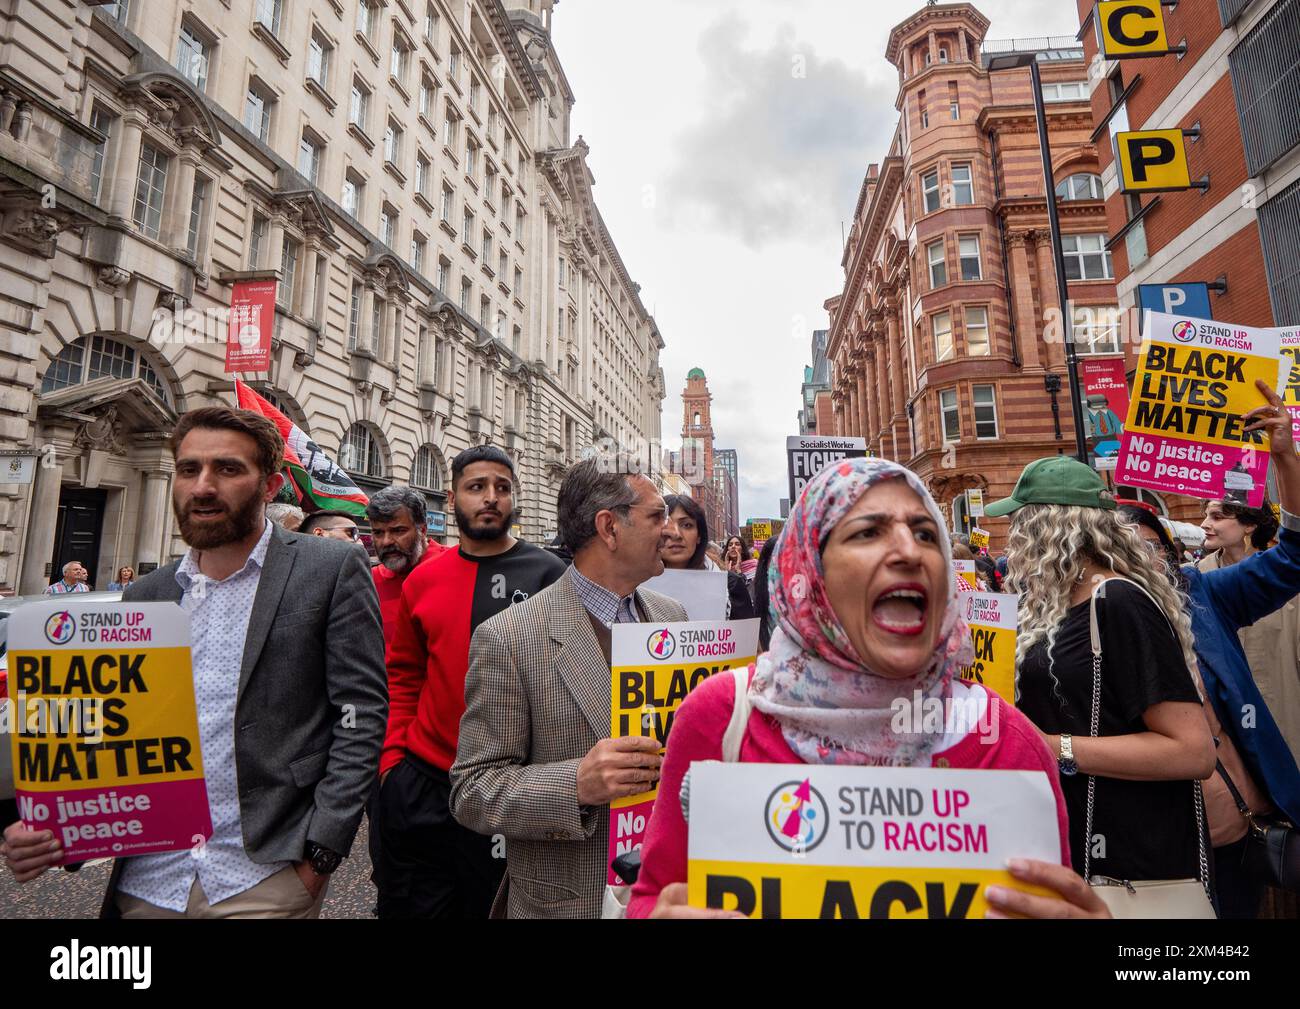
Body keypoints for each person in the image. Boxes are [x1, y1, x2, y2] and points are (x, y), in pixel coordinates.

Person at [630, 457, 1104, 919]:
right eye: (867, 532)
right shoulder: (722, 716)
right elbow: (650, 895)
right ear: (810, 571)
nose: (909, 552)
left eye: (925, 534)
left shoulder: (1005, 741)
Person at [2, 406, 387, 918]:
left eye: (227, 469)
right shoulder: (146, 594)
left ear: (270, 485)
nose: (203, 486)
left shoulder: (330, 568)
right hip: (148, 881)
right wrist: (54, 829)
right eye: (189, 469)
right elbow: (105, 733)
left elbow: (359, 714)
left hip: (264, 878)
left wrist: (322, 852)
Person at [450, 457, 688, 918]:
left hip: (666, 895)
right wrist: (574, 785)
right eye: (658, 516)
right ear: (609, 528)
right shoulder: (509, 638)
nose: (672, 531)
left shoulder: (672, 616)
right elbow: (473, 791)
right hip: (568, 902)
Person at [987, 455, 1216, 887]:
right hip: (1072, 841)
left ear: (1049, 528)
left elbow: (1192, 750)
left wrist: (1053, 747)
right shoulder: (1055, 605)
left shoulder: (1119, 602)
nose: (1013, 540)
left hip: (1129, 859)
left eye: (1020, 523)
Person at [372, 446, 566, 918]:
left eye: (502, 487)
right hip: (425, 782)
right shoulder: (423, 580)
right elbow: (404, 678)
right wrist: (391, 766)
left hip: (511, 788)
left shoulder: (551, 575)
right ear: (452, 495)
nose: (491, 498)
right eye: (476, 487)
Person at [1199, 498, 1300, 765]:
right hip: (1228, 716)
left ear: (1249, 525)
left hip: (1285, 704)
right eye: (1206, 515)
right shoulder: (1196, 577)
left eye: (1217, 517)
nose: (1205, 524)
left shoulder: (1285, 575)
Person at [661, 494, 756, 620]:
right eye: (666, 524)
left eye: (687, 525)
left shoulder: (730, 584)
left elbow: (745, 637)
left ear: (699, 536)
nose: (676, 534)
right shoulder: (633, 585)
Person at [366, 485, 442, 638]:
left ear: (423, 530)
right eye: (378, 532)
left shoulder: (453, 568)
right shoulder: (369, 581)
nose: (386, 541)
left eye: (398, 531)